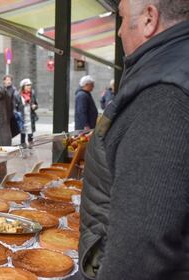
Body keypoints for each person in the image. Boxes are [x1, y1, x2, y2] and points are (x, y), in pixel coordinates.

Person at [78, 1, 189, 279]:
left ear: (149, 19)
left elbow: (141, 248)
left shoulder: (164, 96)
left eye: (122, 18)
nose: (117, 32)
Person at [15, 78, 38, 148]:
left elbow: (36, 105)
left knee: (30, 132)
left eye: (30, 85)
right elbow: (15, 107)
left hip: (30, 117)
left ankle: (30, 144)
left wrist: (35, 106)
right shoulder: (18, 95)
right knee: (23, 132)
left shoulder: (32, 94)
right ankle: (23, 144)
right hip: (22, 117)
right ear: (23, 87)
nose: (29, 87)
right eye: (27, 85)